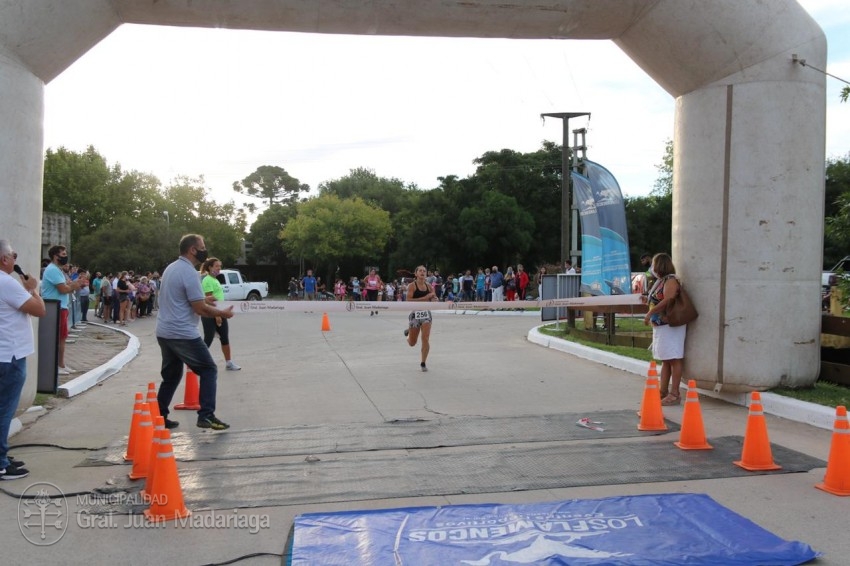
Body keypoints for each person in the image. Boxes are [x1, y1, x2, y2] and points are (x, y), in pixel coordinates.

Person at [156, 234, 234, 431]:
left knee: (172, 376)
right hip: (182, 333)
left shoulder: (171, 268)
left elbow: (184, 298)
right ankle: (206, 415)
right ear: (192, 250)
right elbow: (199, 309)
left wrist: (204, 300)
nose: (204, 250)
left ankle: (158, 416)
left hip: (164, 331)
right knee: (209, 369)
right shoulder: (190, 272)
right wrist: (221, 313)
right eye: (202, 246)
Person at [0, 240, 46, 480]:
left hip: (5, 354)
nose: (16, 259)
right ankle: (0, 463)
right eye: (13, 255)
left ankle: (2, 456)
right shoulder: (7, 282)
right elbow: (40, 310)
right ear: (5, 259)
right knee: (4, 410)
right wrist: (31, 288)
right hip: (10, 356)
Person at [641, 253, 687, 406]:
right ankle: (663, 391)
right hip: (661, 326)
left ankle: (674, 394)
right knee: (666, 359)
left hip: (670, 325)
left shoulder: (670, 280)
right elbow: (658, 299)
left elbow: (668, 300)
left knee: (674, 357)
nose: (652, 268)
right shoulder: (661, 281)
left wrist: (650, 313)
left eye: (654, 264)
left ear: (660, 266)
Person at [41, 245, 84, 375]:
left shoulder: (58, 270)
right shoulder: (53, 270)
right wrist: (75, 286)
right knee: (59, 337)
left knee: (62, 337)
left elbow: (66, 285)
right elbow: (63, 289)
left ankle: (61, 364)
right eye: (63, 254)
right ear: (56, 256)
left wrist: (75, 283)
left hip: (61, 307)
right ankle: (57, 366)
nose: (65, 257)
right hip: (56, 307)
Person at [200, 257, 241, 371]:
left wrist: (221, 314)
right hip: (210, 314)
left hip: (220, 313)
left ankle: (229, 363)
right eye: (217, 266)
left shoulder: (215, 279)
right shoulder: (207, 280)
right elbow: (210, 300)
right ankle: (199, 362)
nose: (219, 268)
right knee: (208, 339)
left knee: (225, 338)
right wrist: (217, 316)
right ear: (210, 267)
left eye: (220, 266)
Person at [404, 265, 436, 372]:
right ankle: (409, 333)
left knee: (425, 338)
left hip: (426, 313)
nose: (422, 272)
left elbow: (433, 299)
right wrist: (425, 298)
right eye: (420, 271)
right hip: (415, 314)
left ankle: (423, 362)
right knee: (412, 343)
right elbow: (408, 301)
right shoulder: (412, 286)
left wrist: (434, 299)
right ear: (416, 273)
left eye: (424, 271)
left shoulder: (429, 286)